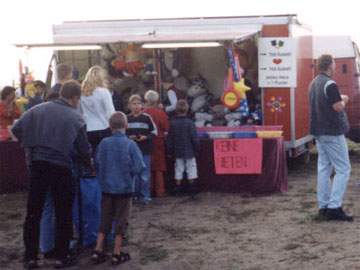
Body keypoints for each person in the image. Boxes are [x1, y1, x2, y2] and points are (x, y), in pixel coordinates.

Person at [11, 80, 92, 269]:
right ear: (75, 98)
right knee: (63, 212)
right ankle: (60, 257)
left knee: (34, 212)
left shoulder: (36, 110)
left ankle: (30, 257)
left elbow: (16, 129)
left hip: (37, 166)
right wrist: (89, 164)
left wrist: (31, 144)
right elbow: (83, 149)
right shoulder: (76, 117)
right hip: (61, 167)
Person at [91, 112, 144, 266]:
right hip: (125, 188)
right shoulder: (130, 144)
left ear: (110, 126)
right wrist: (129, 174)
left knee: (105, 218)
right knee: (121, 220)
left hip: (106, 188)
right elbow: (139, 166)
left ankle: (98, 249)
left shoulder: (104, 143)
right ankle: (116, 252)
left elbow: (97, 163)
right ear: (126, 126)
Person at [309, 54, 353, 222]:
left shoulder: (313, 83)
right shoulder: (330, 84)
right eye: (334, 64)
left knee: (324, 169)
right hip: (332, 132)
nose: (335, 67)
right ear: (330, 65)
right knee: (343, 169)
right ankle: (334, 207)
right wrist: (345, 99)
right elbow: (337, 107)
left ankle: (324, 207)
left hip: (319, 132)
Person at [126, 94, 157, 204]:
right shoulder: (127, 119)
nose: (136, 106)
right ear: (129, 105)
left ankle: (145, 196)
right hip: (132, 151)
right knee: (134, 174)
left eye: (138, 103)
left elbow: (154, 132)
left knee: (144, 174)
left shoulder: (147, 118)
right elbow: (124, 134)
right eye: (134, 104)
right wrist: (129, 138)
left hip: (145, 150)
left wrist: (146, 137)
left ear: (142, 105)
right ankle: (134, 195)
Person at [167, 99, 199, 196]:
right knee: (191, 169)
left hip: (177, 151)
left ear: (176, 110)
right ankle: (192, 189)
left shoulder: (172, 123)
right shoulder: (190, 123)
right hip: (189, 150)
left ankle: (178, 189)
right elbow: (194, 138)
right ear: (187, 109)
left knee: (178, 169)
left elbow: (170, 139)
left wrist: (169, 151)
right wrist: (197, 148)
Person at [79, 65, 115, 152]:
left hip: (87, 128)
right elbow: (111, 112)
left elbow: (80, 111)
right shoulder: (104, 92)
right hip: (103, 127)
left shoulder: (82, 93)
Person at [144, 90, 169, 197]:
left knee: (147, 166)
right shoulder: (160, 113)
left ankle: (148, 190)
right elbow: (166, 127)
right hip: (158, 141)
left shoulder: (143, 112)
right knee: (159, 167)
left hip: (145, 141)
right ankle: (160, 191)